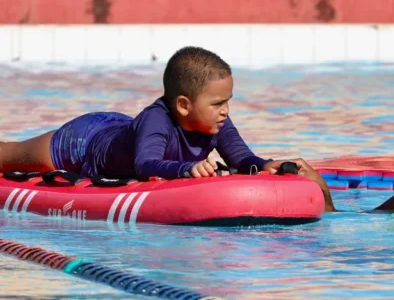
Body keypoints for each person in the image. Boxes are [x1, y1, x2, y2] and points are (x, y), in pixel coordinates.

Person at [0, 46, 335, 211]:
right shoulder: (157, 120)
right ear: (184, 105)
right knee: (10, 156)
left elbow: (241, 157)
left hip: (124, 130)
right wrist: (187, 169)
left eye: (228, 101)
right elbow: (146, 164)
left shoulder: (216, 121)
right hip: (84, 140)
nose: (226, 110)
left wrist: (265, 165)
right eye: (218, 103)